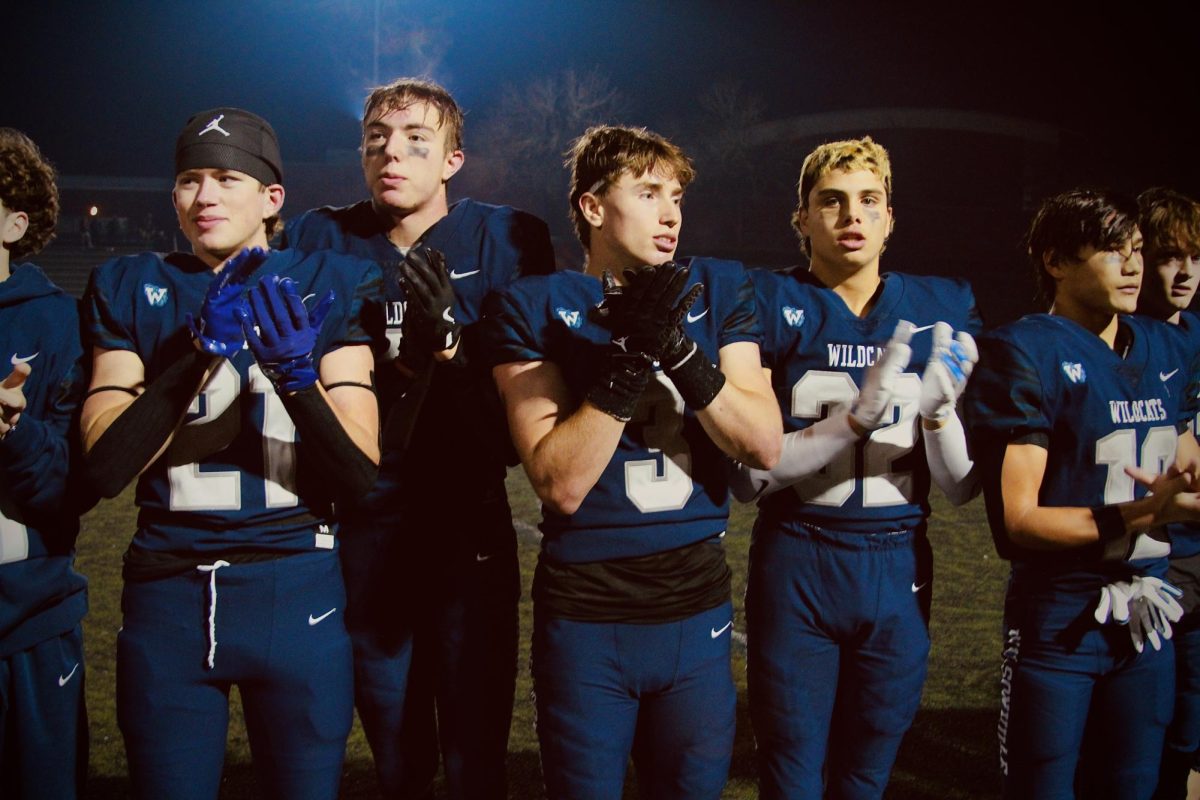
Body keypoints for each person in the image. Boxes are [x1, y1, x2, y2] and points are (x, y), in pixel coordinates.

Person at [79, 107, 387, 800]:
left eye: (225, 178)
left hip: (294, 582)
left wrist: (299, 379)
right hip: (169, 593)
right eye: (189, 180)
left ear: (272, 198)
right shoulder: (131, 284)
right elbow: (105, 469)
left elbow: (361, 478)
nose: (204, 197)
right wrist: (196, 357)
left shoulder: (328, 280)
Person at [481, 124, 781, 799]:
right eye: (648, 193)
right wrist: (624, 364)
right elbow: (559, 484)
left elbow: (762, 444)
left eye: (676, 196)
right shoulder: (534, 306)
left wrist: (678, 351)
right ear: (593, 207)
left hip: (696, 615)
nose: (671, 212)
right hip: (589, 623)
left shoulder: (716, 288)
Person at [282, 77, 555, 800]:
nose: (390, 154)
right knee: (397, 752)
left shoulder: (504, 237)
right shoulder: (322, 238)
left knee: (476, 752)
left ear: (453, 160)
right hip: (368, 517)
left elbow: (518, 415)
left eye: (414, 141)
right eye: (376, 140)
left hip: (468, 512)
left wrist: (452, 347)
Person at [732, 135, 982, 799]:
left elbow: (960, 489)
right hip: (799, 558)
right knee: (790, 774)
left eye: (870, 201)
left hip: (899, 558)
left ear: (891, 217)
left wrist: (937, 416)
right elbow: (745, 480)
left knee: (867, 776)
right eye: (832, 201)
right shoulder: (766, 301)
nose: (852, 216)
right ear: (802, 219)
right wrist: (845, 424)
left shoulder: (940, 308)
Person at [966, 188, 1200, 799]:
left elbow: (1186, 463)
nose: (1132, 266)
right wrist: (1149, 511)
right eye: (1111, 251)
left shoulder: (1168, 346)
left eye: (1138, 251)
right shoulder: (1023, 348)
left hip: (1147, 617)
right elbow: (1018, 521)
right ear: (1056, 262)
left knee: (1134, 786)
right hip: (1059, 619)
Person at [0, 127, 90, 800]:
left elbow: (67, 488)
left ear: (14, 220)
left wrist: (12, 429)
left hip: (25, 621)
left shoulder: (57, 325)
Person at [1135, 188, 1200, 800]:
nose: (1184, 272)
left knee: (1189, 723)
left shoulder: (1198, 336)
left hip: (1197, 553)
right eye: (1168, 256)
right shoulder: (1120, 339)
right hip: (1148, 560)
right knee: (1139, 727)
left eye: (1194, 258)